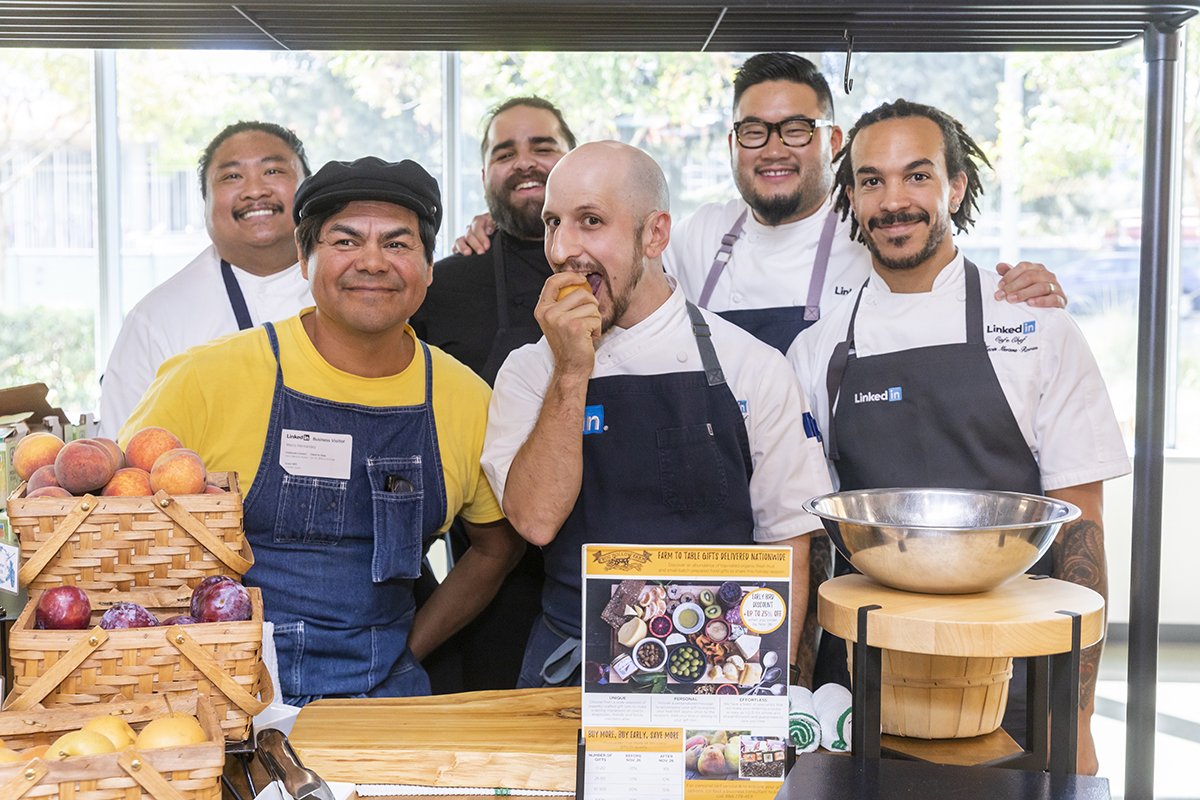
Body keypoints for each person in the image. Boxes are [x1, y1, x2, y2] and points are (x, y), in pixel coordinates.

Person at [787, 99, 1130, 774]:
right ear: (852, 196)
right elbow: (810, 544)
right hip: (864, 673)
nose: (894, 201)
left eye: (917, 176)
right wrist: (796, 696)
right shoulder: (819, 346)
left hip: (1016, 677)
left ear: (956, 186)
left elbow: (1081, 531)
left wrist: (1076, 718)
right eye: (872, 180)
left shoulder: (1035, 328)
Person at [120, 156, 525, 705]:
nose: (373, 262)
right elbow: (116, 534)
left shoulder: (467, 399)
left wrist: (410, 649)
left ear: (430, 268)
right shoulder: (205, 379)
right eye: (345, 241)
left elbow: (497, 547)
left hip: (385, 701)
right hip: (220, 699)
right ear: (303, 260)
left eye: (399, 244)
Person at [480, 141, 833, 689]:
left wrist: (776, 689)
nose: (562, 248)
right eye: (553, 223)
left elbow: (788, 543)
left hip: (720, 665)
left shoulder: (752, 368)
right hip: (570, 666)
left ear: (656, 234)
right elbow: (535, 519)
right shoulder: (528, 371)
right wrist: (571, 371)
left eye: (591, 221)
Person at [409, 97, 576, 693]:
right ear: (484, 177)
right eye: (505, 153)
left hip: (608, 572)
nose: (525, 163)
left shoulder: (620, 281)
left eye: (543, 147)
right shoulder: (444, 284)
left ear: (573, 160)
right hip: (485, 579)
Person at [100, 121, 313, 438]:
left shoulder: (357, 293)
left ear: (309, 189)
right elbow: (122, 454)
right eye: (232, 176)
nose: (255, 190)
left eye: (273, 172)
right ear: (205, 203)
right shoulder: (156, 319)